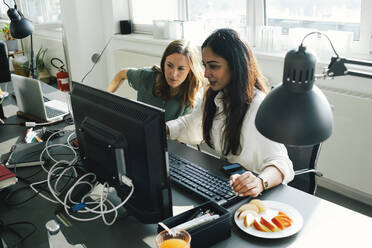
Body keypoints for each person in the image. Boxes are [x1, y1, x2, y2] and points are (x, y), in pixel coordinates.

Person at [166, 28, 294, 197]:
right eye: (205, 65)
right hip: (230, 182)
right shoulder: (216, 95)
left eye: (213, 66)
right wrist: (162, 128)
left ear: (235, 65)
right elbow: (191, 123)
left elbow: (282, 163)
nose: (206, 73)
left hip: (256, 193)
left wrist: (259, 182)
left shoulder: (256, 105)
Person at [107, 40, 205, 121]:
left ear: (190, 70)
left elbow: (180, 133)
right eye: (169, 65)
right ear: (163, 63)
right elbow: (121, 74)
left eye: (181, 68)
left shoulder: (192, 95)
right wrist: (106, 96)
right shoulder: (146, 76)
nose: (173, 74)